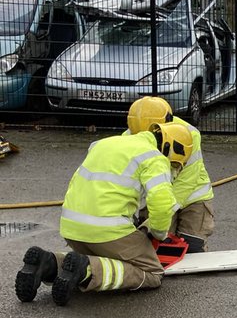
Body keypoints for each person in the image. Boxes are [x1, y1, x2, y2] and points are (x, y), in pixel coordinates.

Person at [14, 122, 192, 306]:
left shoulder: (105, 144)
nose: (173, 168)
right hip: (107, 231)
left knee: (107, 258)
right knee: (152, 273)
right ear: (171, 148)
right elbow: (162, 204)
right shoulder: (155, 157)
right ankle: (87, 271)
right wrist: (158, 234)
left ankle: (48, 263)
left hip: (72, 228)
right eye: (175, 164)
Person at [126, 96, 215, 252]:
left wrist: (163, 211)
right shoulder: (128, 138)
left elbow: (186, 181)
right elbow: (129, 179)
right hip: (156, 196)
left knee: (193, 246)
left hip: (192, 196)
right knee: (160, 246)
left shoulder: (189, 135)